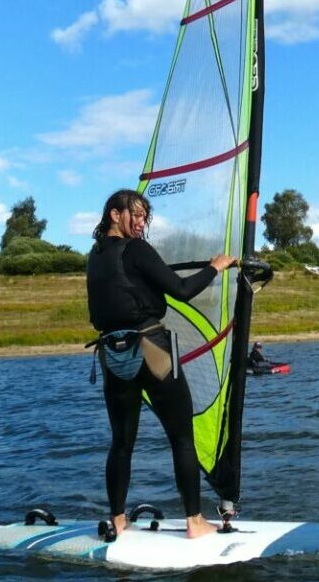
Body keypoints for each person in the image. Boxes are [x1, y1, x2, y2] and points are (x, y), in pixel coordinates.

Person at [86, 189, 237, 540]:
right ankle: (195, 522)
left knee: (121, 441)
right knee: (182, 438)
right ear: (114, 214)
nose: (140, 223)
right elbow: (182, 290)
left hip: (112, 354)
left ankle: (118, 520)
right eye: (134, 215)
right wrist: (214, 267)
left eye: (144, 218)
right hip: (150, 348)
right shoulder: (136, 250)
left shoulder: (94, 257)